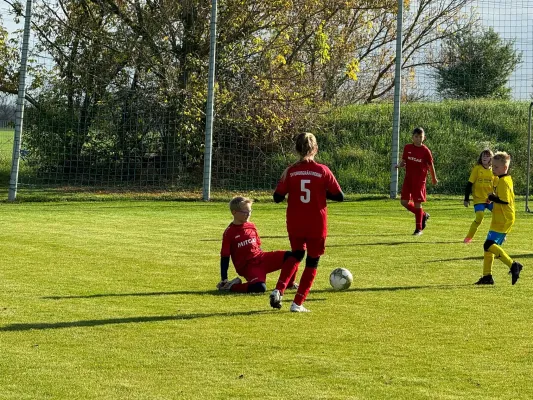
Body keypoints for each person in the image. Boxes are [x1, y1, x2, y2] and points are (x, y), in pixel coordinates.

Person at [269, 132, 344, 312]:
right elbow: (340, 196)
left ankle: (279, 289)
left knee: (296, 255)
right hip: (316, 223)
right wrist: (320, 193)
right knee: (312, 262)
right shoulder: (322, 170)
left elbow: (277, 197)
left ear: (296, 149)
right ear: (316, 149)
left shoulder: (291, 171)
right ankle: (298, 303)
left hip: (295, 221)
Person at [217, 196, 299, 293]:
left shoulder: (251, 226)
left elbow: (257, 245)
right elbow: (225, 256)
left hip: (261, 258)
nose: (248, 214)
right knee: (260, 288)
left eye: (250, 211)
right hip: (249, 267)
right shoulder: (229, 232)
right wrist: (224, 278)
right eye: (245, 212)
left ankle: (289, 283)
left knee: (292, 257)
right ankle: (231, 286)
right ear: (234, 212)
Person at [475, 151, 523, 285]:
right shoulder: (500, 179)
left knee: (488, 244)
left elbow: (505, 200)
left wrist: (492, 197)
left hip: (504, 218)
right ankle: (487, 277)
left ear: (505, 168)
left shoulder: (504, 181)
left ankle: (514, 265)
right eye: (492, 166)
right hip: (499, 217)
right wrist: (492, 198)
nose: (493, 169)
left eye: (496, 167)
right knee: (488, 247)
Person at [396, 127, 438, 235]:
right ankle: (423, 215)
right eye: (416, 137)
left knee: (417, 204)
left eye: (420, 137)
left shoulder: (425, 151)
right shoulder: (407, 147)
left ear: (424, 138)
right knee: (404, 202)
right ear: (412, 137)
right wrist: (399, 165)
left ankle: (418, 229)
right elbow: (404, 161)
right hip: (408, 179)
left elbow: (430, 165)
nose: (418, 139)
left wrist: (434, 178)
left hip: (419, 181)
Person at [463, 149, 498, 243]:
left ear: (491, 158)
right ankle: (468, 237)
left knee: (498, 214)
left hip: (490, 199)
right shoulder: (477, 169)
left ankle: (498, 234)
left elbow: (496, 186)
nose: (485, 158)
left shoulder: (493, 170)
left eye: (487, 156)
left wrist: (495, 197)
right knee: (479, 216)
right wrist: (466, 199)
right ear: (480, 158)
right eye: (483, 156)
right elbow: (469, 184)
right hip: (478, 199)